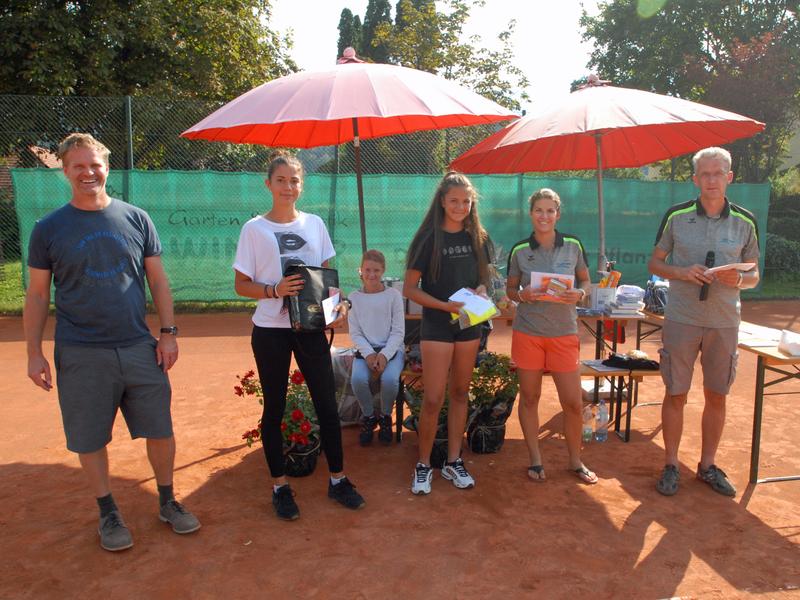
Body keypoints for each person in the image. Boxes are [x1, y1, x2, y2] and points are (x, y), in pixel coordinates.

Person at [23, 133, 200, 552]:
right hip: (80, 352)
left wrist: (168, 334)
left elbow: (157, 280)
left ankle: (168, 501)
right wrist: (34, 353)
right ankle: (108, 511)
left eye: (95, 165)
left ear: (107, 167)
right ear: (65, 171)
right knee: (91, 438)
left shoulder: (136, 218)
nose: (88, 173)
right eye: (78, 166)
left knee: (160, 429)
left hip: (139, 346)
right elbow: (36, 295)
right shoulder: (47, 229)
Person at [233, 151, 365, 520]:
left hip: (309, 330)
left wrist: (338, 307)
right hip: (270, 332)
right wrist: (274, 291)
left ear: (301, 185)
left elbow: (325, 277)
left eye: (294, 181)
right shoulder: (254, 229)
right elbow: (241, 285)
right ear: (268, 184)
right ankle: (280, 486)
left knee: (327, 404)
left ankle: (338, 479)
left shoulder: (315, 225)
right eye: (281, 180)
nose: (288, 187)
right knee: (273, 408)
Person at [648, 146, 759, 498]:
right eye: (705, 174)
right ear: (695, 179)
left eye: (718, 173)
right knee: (676, 392)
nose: (711, 180)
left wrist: (738, 280)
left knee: (717, 394)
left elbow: (755, 274)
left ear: (729, 177)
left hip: (724, 322)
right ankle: (670, 464)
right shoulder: (676, 216)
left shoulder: (745, 221)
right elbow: (655, 263)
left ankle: (707, 466)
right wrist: (681, 271)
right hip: (682, 319)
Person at [404, 171, 494, 495]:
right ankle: (424, 464)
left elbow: (484, 280)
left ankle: (454, 462)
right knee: (432, 398)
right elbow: (410, 289)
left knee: (460, 394)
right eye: (454, 200)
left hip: (469, 325)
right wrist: (445, 306)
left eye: (466, 201)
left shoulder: (479, 238)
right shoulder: (427, 239)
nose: (460, 206)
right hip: (437, 326)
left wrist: (481, 290)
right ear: (442, 201)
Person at [505, 188, 597, 485]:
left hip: (564, 334)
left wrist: (581, 292)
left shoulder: (572, 245)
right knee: (530, 398)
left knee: (572, 402)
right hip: (528, 333)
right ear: (530, 214)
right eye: (538, 210)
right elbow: (510, 290)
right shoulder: (519, 250)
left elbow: (586, 280)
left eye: (550, 211)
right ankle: (535, 459)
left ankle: (575, 461)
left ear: (558, 214)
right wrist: (522, 295)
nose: (544, 216)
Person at [348, 249, 405, 446]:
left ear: (383, 271)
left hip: (392, 350)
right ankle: (369, 416)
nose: (372, 275)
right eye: (368, 270)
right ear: (361, 270)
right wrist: (370, 354)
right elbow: (355, 333)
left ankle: (386, 416)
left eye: (377, 270)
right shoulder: (353, 297)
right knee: (357, 379)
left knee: (390, 380)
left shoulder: (394, 296)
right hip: (366, 351)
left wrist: (385, 355)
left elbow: (398, 332)